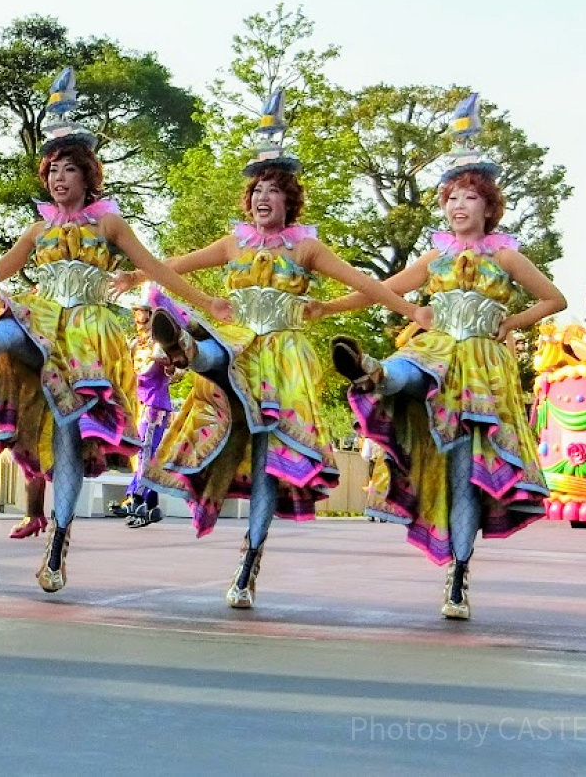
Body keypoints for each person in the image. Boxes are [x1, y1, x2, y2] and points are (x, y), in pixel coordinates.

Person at [113, 90, 431, 609]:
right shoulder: (233, 244)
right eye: (257, 189)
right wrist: (162, 284)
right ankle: (184, 349)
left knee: (265, 461)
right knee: (218, 357)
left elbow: (368, 284)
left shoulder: (306, 248)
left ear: (289, 201)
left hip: (285, 356)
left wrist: (398, 311)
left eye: (273, 191)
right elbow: (172, 266)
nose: (263, 198)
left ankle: (250, 558)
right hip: (238, 342)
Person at [0, 68, 233, 592]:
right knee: (12, 317)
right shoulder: (36, 228)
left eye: (69, 170)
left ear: (87, 176)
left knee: (70, 443)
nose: (58, 179)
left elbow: (157, 267)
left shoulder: (109, 224)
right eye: (52, 170)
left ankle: (59, 540)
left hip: (90, 335)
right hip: (45, 318)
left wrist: (202, 299)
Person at [320, 94, 565, 619]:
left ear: (487, 206)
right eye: (451, 197)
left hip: (480, 368)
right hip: (436, 350)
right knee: (413, 363)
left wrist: (512, 321)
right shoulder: (436, 257)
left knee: (462, 478)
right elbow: (378, 289)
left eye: (469, 198)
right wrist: (327, 307)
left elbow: (554, 299)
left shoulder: (505, 254)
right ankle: (374, 373)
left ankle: (458, 576)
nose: (458, 206)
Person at [117, 296, 176, 528]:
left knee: (145, 453)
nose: (137, 320)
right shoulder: (134, 345)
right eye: (136, 315)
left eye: (142, 315)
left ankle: (135, 496)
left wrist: (164, 365)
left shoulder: (160, 345)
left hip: (154, 405)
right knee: (142, 454)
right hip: (138, 403)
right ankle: (149, 505)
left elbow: (152, 373)